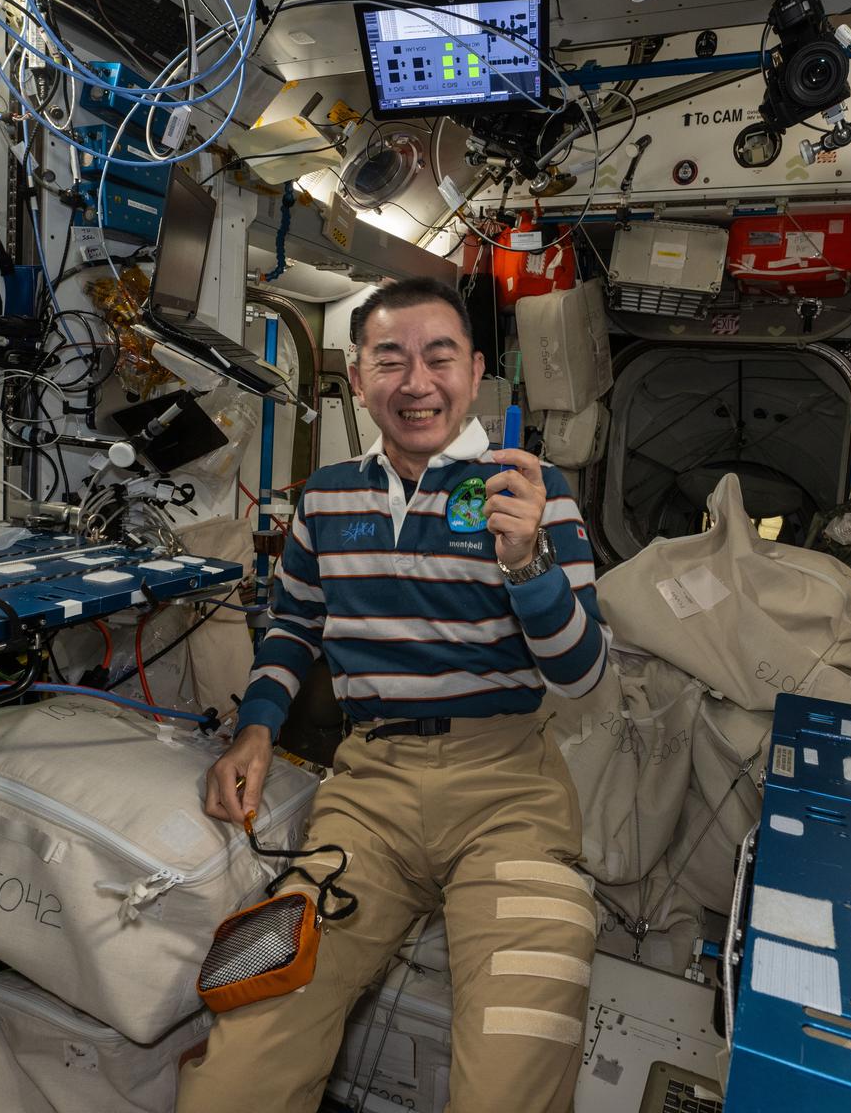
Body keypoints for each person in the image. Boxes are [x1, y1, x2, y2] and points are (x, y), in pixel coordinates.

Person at [177, 276, 609, 1113]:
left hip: (510, 792)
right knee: (246, 1050)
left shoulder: (535, 490)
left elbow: (582, 674)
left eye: (439, 357)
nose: (417, 382)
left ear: (476, 369)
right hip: (367, 793)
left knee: (516, 1067)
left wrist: (527, 562)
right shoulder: (328, 497)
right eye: (391, 359)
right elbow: (295, 627)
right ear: (355, 372)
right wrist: (256, 731)